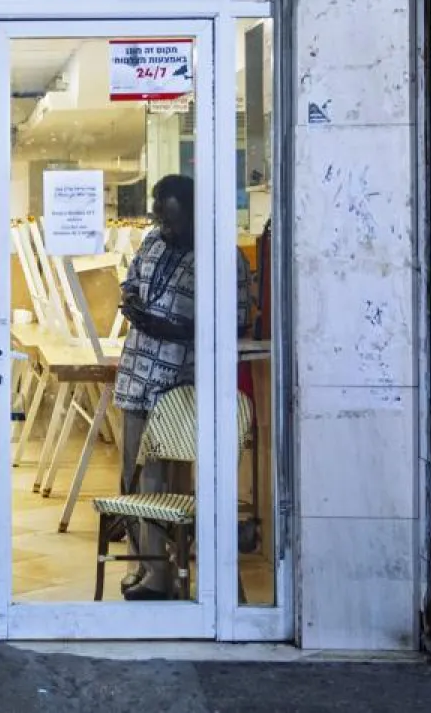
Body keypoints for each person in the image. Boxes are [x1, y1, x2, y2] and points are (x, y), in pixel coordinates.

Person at [113, 175, 249, 601]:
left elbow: (236, 321)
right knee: (135, 477)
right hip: (137, 376)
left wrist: (176, 329)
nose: (165, 228)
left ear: (195, 213)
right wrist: (133, 305)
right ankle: (144, 566)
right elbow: (131, 282)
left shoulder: (221, 255)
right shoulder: (153, 242)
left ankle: (165, 575)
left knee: (166, 480)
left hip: (180, 383)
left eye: (172, 220)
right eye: (160, 219)